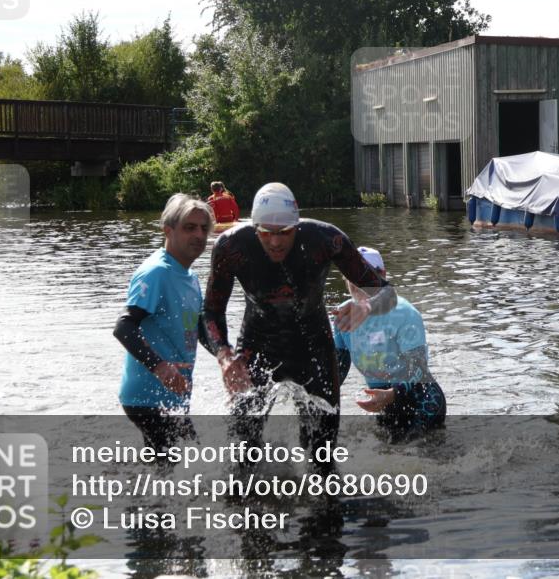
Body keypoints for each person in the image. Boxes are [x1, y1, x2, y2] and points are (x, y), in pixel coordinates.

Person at [203, 182, 397, 467]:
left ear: (297, 225)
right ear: (254, 227)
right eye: (266, 233)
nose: (276, 242)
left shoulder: (325, 239)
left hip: (312, 349)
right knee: (243, 452)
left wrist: (366, 307)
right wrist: (224, 356)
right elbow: (209, 313)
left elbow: (387, 293)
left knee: (322, 456)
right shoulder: (231, 246)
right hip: (256, 350)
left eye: (284, 233)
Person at [114, 193, 213, 452]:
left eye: (204, 228)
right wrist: (159, 367)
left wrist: (228, 357)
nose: (199, 235)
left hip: (173, 394)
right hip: (148, 396)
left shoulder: (190, 277)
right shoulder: (157, 271)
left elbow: (199, 330)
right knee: (179, 467)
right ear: (168, 231)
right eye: (189, 228)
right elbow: (123, 326)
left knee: (177, 466)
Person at [333, 247, 446, 441]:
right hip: (385, 407)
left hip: (423, 403)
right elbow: (336, 373)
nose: (359, 281)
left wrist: (391, 395)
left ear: (382, 275)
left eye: (368, 274)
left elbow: (418, 369)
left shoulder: (404, 313)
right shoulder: (343, 316)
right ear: (345, 279)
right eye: (353, 275)